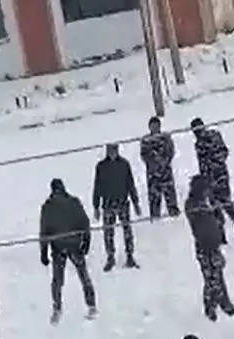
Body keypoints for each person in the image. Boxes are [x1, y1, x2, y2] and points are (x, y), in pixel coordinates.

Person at [40, 178, 97, 323]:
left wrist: (44, 251)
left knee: (64, 280)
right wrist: (86, 242)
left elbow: (44, 231)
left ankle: (60, 308)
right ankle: (86, 305)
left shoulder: (53, 206)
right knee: (78, 277)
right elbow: (84, 223)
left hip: (66, 246)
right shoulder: (66, 204)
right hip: (67, 246)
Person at [185, 175, 234, 321]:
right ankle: (210, 306)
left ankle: (223, 302)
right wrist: (209, 210)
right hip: (204, 246)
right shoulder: (192, 204)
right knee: (210, 278)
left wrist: (214, 209)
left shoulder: (207, 203)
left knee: (218, 274)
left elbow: (219, 220)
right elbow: (197, 217)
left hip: (213, 244)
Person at [191, 118, 234, 242]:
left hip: (218, 175)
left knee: (223, 204)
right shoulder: (205, 140)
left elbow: (222, 153)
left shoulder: (208, 140)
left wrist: (213, 165)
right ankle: (224, 233)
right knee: (218, 205)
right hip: (214, 176)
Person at [92, 143, 142, 271]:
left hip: (123, 203)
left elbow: (130, 183)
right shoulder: (101, 166)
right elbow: (97, 186)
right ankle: (110, 257)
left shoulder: (124, 164)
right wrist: (96, 206)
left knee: (127, 231)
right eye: (110, 149)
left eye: (115, 149)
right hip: (108, 204)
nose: (112, 152)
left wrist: (136, 202)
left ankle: (130, 256)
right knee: (108, 233)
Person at [140, 117, 179, 218]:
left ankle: (174, 215)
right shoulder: (146, 140)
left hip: (166, 173)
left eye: (156, 125)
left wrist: (164, 161)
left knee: (170, 197)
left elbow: (170, 152)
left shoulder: (165, 138)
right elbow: (144, 155)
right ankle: (155, 219)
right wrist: (154, 161)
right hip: (153, 175)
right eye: (153, 126)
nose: (155, 128)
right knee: (154, 200)